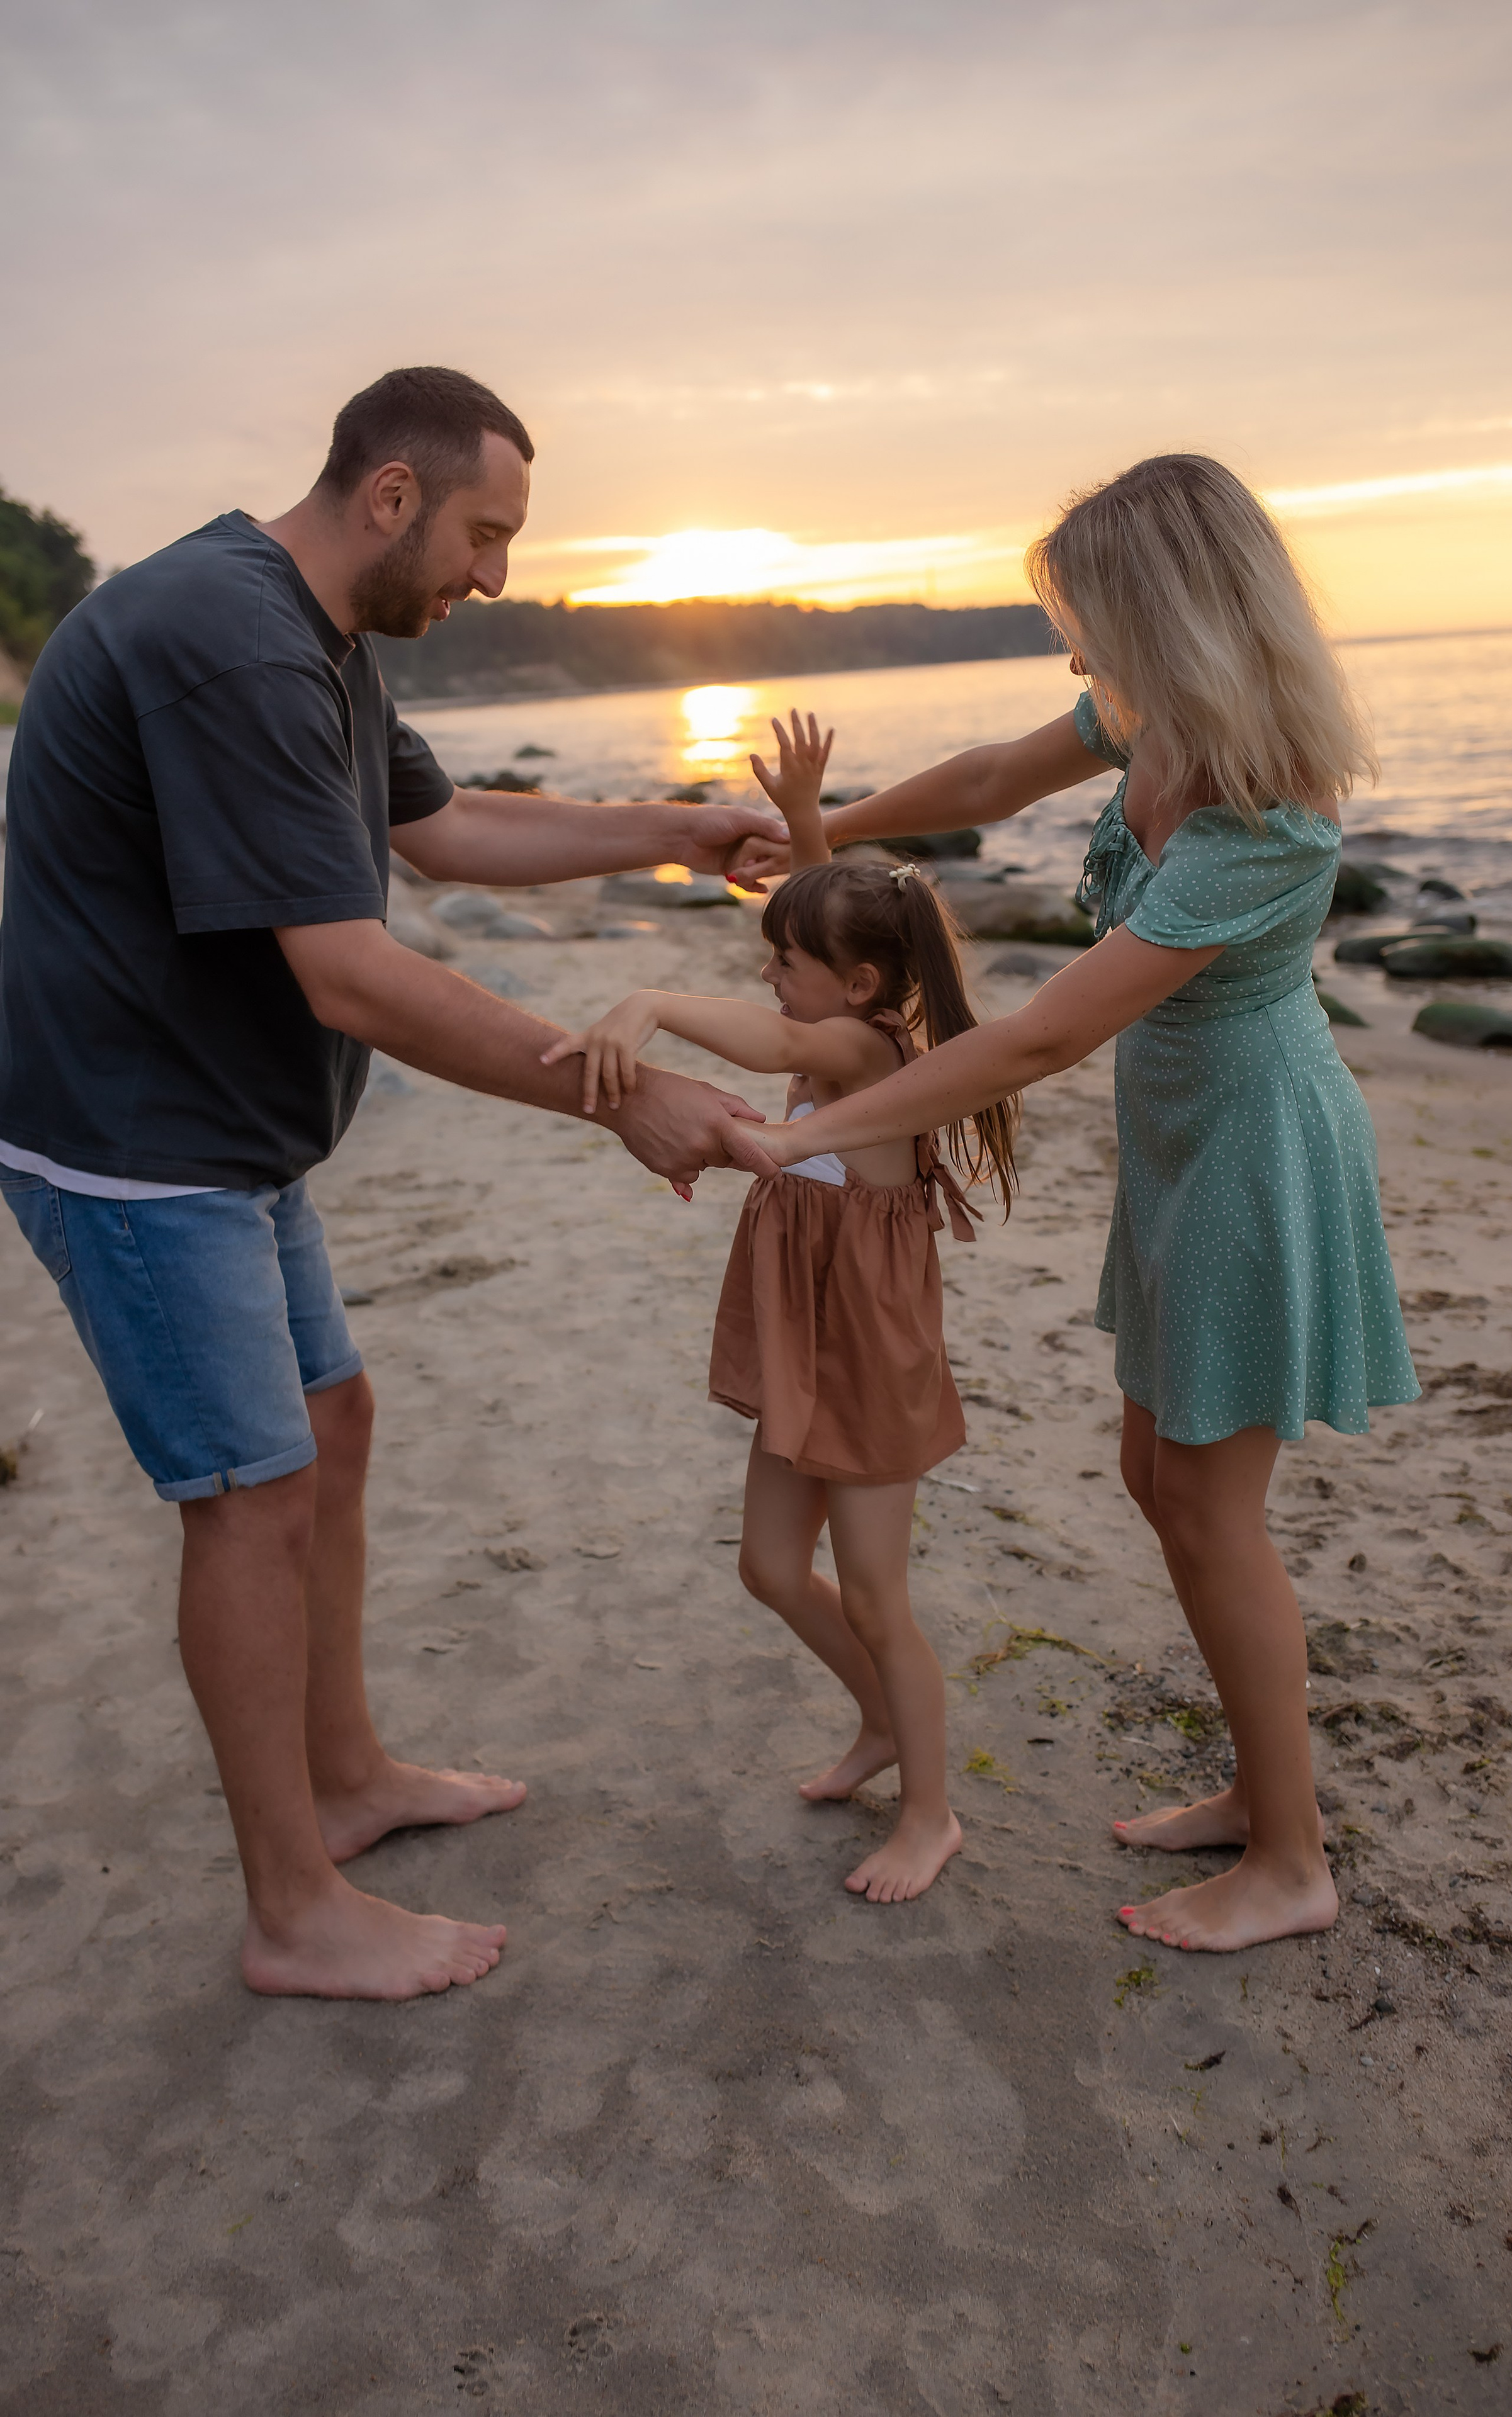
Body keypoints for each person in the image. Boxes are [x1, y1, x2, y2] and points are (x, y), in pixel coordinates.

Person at [0, 366, 784, 2002]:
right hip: (136, 1141)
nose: (495, 575)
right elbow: (351, 974)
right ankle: (292, 1910)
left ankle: (344, 1776)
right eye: (486, 534)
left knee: (330, 1428)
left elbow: (443, 833)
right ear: (391, 496)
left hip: (232, 1131)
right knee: (250, 1491)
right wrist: (614, 1094)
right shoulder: (228, 635)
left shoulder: (321, 638)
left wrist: (675, 828)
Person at [739, 455, 1421, 1954]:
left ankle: (1291, 1861)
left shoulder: (1265, 819)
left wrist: (797, 1139)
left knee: (1208, 1506)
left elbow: (1044, 1036)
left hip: (1253, 1155)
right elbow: (986, 780)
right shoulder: (1144, 720)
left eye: (1091, 624)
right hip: (1182, 1150)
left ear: (1170, 617)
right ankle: (1260, 1792)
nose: (1072, 657)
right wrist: (830, 830)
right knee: (1152, 1474)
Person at [543, 713, 1019, 1901]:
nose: (769, 979)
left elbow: (772, 1034)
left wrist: (652, 1001)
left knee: (873, 1590)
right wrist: (810, 817)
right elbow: (820, 932)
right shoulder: (845, 1018)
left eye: (785, 965)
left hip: (872, 1357)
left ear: (853, 988)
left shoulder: (863, 1052)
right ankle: (876, 1723)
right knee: (767, 1563)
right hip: (811, 1343)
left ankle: (931, 1812)